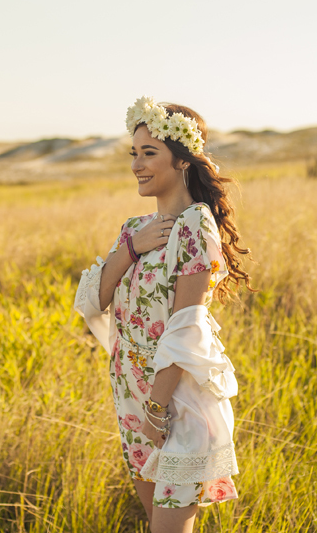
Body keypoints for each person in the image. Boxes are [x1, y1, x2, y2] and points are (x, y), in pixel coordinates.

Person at [74, 97, 254, 533]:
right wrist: (130, 251)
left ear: (183, 161)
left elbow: (185, 326)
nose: (137, 164)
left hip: (174, 405)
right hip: (130, 397)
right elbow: (92, 302)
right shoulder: (133, 229)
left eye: (149, 152)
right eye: (133, 153)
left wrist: (157, 407)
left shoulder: (196, 224)